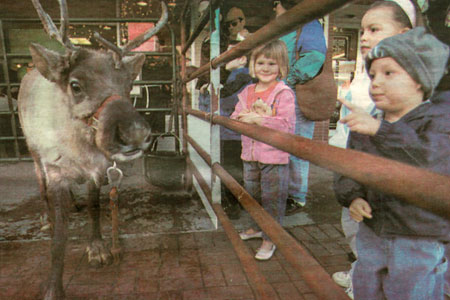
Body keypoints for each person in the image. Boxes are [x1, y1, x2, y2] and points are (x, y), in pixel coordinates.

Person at [335, 27, 449, 300]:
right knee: (367, 287)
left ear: (419, 80)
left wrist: (379, 131)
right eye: (372, 74)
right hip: (374, 227)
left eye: (389, 73)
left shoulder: (438, 120)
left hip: (419, 235)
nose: (375, 82)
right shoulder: (371, 120)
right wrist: (353, 196)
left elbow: (430, 161)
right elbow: (350, 166)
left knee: (411, 292)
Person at [329, 1, 418, 298]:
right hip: (361, 180)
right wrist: (351, 192)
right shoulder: (366, 75)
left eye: (374, 30)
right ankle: (361, 276)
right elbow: (356, 140)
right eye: (363, 30)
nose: (364, 37)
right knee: (360, 238)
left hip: (403, 200)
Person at [231, 40, 296, 260]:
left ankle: (271, 238)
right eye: (261, 63)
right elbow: (235, 116)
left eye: (272, 63)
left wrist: (259, 119)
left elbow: (286, 125)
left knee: (272, 199)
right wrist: (242, 117)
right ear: (252, 65)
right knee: (252, 195)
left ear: (281, 67)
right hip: (249, 155)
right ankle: (256, 227)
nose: (266, 68)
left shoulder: (283, 93)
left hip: (274, 157)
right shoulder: (247, 91)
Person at [273, 0, 327, 215]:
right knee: (284, 146)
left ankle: (296, 197)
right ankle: (287, 193)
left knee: (296, 147)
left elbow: (315, 57)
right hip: (284, 94)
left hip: (296, 95)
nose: (273, 8)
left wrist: (286, 82)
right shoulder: (291, 27)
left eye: (275, 3)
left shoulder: (307, 24)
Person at [198, 42, 253, 219]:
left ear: (242, 59)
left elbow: (222, 95)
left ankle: (234, 204)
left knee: (231, 169)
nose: (225, 60)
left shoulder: (242, 77)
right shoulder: (234, 75)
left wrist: (208, 89)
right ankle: (234, 201)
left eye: (230, 56)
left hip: (233, 134)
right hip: (228, 132)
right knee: (231, 168)